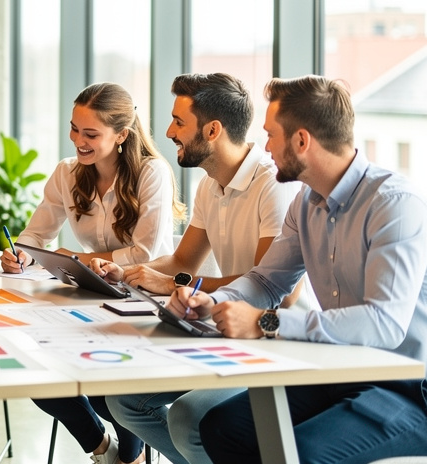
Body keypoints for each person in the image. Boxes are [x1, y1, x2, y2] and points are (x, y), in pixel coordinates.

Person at [173, 76, 427, 464]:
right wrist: (211, 300)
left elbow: (384, 324)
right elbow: (268, 280)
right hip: (352, 372)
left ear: (302, 141)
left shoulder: (394, 207)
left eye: (271, 135)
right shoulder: (306, 203)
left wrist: (267, 324)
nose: (264, 147)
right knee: (220, 429)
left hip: (425, 396)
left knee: (301, 455)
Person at [95, 73, 300, 464]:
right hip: (223, 325)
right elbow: (181, 261)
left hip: (271, 336)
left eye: (178, 122)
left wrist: (175, 282)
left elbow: (279, 290)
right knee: (125, 400)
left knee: (190, 418)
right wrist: (129, 272)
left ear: (212, 130)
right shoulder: (211, 183)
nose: (168, 131)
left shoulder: (273, 183)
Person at [0, 82, 181, 464]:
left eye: (90, 134)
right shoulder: (68, 173)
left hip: (144, 304)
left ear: (121, 136)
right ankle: (104, 450)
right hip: (87, 299)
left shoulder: (152, 173)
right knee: (36, 367)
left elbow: (144, 254)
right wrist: (23, 256)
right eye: (74, 128)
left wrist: (77, 256)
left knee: (110, 389)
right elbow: (35, 235)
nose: (77, 140)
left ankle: (129, 453)